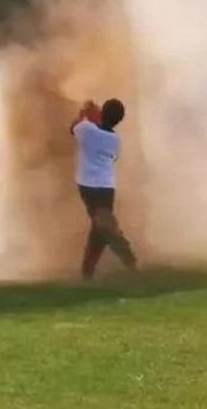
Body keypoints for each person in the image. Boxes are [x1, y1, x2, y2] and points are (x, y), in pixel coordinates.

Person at [71, 99, 137, 279]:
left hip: (88, 186)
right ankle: (89, 270)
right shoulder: (115, 139)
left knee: (101, 228)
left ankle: (126, 256)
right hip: (107, 187)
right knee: (101, 226)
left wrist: (84, 113)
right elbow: (113, 158)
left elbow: (73, 128)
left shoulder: (86, 129)